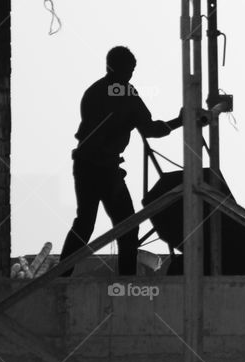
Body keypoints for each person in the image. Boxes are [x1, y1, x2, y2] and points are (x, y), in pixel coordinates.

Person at [58, 46, 184, 276]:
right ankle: (126, 281)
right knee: (125, 227)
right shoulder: (125, 94)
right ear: (119, 68)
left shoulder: (95, 92)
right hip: (104, 170)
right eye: (130, 69)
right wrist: (179, 121)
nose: (131, 75)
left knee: (86, 224)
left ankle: (61, 276)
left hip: (88, 166)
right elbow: (150, 129)